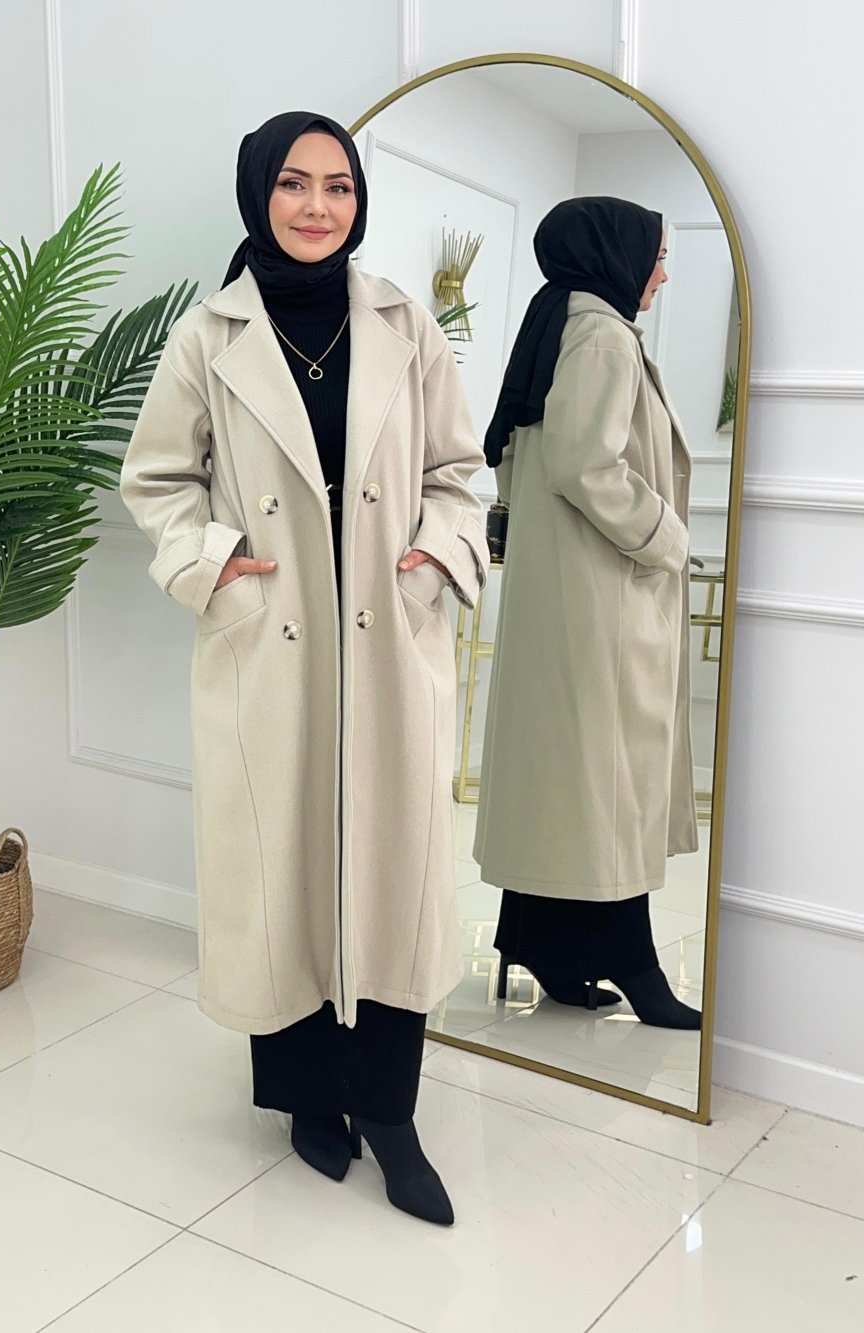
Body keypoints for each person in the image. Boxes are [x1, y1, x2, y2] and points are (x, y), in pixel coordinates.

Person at [120, 112, 489, 1225]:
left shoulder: (405, 323)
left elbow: (460, 469)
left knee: (390, 871)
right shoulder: (208, 336)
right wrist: (217, 565)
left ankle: (390, 1113)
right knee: (280, 869)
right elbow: (156, 481)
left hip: (389, 639)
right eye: (293, 183)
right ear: (258, 195)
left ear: (358, 201)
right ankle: (305, 1099)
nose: (317, 206)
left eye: (338, 186)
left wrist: (435, 557)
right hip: (270, 642)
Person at [473, 196, 701, 1031]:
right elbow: (582, 462)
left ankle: (542, 943)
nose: (662, 275)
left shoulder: (555, 320)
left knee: (564, 783)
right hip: (603, 595)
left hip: (558, 589)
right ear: (616, 253)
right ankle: (630, 959)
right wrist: (664, 536)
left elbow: (516, 455)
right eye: (658, 256)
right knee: (612, 790)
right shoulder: (601, 334)